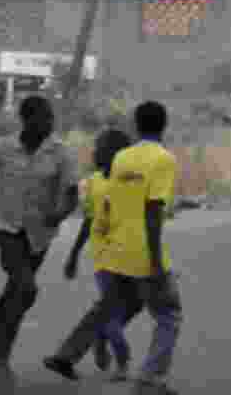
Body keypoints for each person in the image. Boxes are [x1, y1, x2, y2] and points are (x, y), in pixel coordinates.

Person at [44, 101, 184, 394]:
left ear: (136, 124)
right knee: (168, 315)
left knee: (109, 306)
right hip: (143, 254)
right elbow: (153, 210)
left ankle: (70, 354)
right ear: (164, 124)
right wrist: (157, 260)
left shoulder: (122, 160)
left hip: (117, 255)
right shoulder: (164, 159)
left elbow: (112, 208)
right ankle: (149, 378)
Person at [0, 95, 81, 394]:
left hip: (39, 234)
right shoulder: (2, 147)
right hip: (6, 227)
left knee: (15, 294)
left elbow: (73, 193)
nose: (50, 124)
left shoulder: (61, 152)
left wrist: (60, 213)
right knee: (25, 288)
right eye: (44, 118)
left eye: (51, 118)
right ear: (27, 120)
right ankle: (1, 360)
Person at [59, 128, 144, 382]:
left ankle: (103, 336)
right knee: (110, 311)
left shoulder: (132, 182)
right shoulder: (93, 183)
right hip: (106, 261)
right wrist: (74, 254)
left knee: (133, 305)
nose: (94, 152)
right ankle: (122, 359)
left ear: (117, 155)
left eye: (100, 148)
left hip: (134, 256)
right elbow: (88, 221)